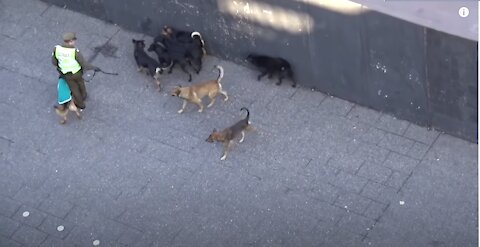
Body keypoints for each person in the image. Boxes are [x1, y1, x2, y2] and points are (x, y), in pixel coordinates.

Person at [52, 32, 100, 110]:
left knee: (74, 88)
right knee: (81, 83)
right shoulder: (74, 51)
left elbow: (54, 62)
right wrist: (94, 68)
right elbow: (83, 63)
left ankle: (81, 104)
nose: (75, 42)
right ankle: (84, 96)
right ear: (70, 41)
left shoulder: (57, 49)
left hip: (66, 74)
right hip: (77, 73)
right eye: (74, 41)